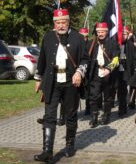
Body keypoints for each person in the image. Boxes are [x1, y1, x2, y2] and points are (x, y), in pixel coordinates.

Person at [33, 8, 89, 162]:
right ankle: (47, 151)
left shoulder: (78, 37)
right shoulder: (48, 36)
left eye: (63, 22)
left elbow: (85, 59)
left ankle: (70, 145)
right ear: (54, 23)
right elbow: (42, 59)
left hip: (71, 82)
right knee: (49, 115)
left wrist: (79, 72)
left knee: (70, 115)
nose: (60, 25)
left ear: (68, 22)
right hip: (52, 81)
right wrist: (38, 79)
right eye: (57, 22)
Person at [88, 22, 120, 128]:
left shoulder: (113, 43)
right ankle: (94, 117)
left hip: (108, 74)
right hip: (95, 73)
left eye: (102, 31)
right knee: (94, 96)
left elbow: (116, 59)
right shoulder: (91, 43)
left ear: (106, 32)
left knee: (108, 97)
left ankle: (106, 116)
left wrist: (109, 69)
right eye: (98, 32)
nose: (100, 34)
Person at [117, 26, 136, 117]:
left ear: (128, 35)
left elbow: (134, 59)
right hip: (117, 70)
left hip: (126, 70)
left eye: (125, 34)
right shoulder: (116, 43)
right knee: (119, 90)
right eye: (122, 34)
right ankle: (121, 108)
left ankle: (125, 106)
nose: (123, 36)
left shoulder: (131, 45)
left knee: (124, 90)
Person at [79, 27, 92, 115]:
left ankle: (88, 109)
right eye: (83, 36)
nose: (85, 38)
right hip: (77, 71)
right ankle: (63, 115)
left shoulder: (91, 44)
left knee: (88, 91)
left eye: (86, 37)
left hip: (88, 71)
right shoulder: (76, 44)